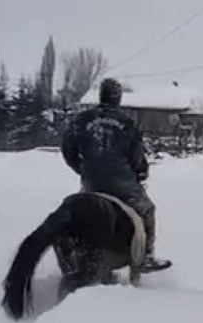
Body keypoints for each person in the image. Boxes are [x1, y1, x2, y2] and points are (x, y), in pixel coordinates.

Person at [61, 78, 170, 271]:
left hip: (91, 184)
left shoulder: (82, 119)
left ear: (100, 95)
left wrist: (82, 168)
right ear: (118, 98)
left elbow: (67, 149)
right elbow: (137, 157)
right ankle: (146, 256)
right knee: (147, 209)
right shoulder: (127, 123)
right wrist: (141, 172)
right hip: (123, 186)